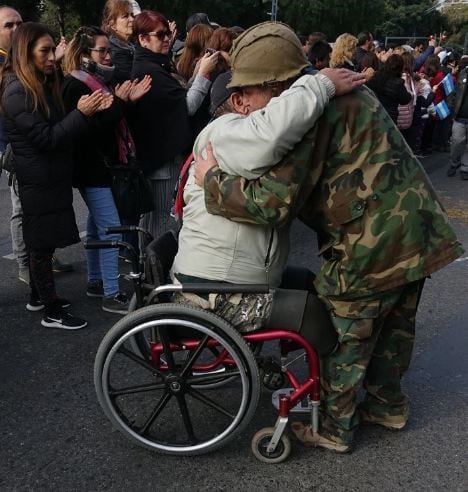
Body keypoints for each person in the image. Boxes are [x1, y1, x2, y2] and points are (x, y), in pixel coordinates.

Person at [195, 22, 463, 453]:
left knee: (345, 332)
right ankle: (387, 405)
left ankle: (335, 427)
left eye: (251, 93)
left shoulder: (314, 114)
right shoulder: (350, 93)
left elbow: (271, 203)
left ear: (276, 86)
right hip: (419, 231)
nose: (248, 106)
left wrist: (212, 181)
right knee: (394, 327)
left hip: (370, 243)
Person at [1, 22, 113, 329]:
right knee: (40, 247)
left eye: (53, 50)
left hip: (49, 177)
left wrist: (81, 110)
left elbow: (57, 126)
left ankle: (39, 298)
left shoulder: (38, 83)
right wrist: (81, 113)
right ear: (26, 52)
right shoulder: (16, 91)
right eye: (45, 51)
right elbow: (48, 139)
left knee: (43, 244)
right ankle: (52, 311)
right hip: (38, 180)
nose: (52, 57)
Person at [62, 26, 151, 314]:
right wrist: (120, 103)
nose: (109, 56)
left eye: (109, 50)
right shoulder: (76, 85)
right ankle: (112, 294)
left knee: (99, 228)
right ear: (84, 54)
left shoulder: (94, 82)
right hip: (92, 169)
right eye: (102, 50)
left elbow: (105, 123)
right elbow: (91, 130)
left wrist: (122, 103)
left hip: (98, 168)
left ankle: (96, 281)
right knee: (111, 228)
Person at [0, 5, 73, 285]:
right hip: (11, 146)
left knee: (38, 214)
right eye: (8, 25)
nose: (16, 29)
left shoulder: (28, 64)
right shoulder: (10, 72)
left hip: (25, 143)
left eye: (19, 23)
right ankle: (26, 264)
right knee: (22, 209)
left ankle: (41, 260)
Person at [130, 10, 218, 239]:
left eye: (168, 33)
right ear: (142, 38)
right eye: (160, 35)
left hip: (159, 157)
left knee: (153, 220)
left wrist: (198, 72)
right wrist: (204, 75)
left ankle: (149, 268)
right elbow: (186, 106)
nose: (168, 38)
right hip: (161, 160)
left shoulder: (155, 65)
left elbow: (177, 98)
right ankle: (155, 271)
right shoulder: (149, 70)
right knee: (162, 219)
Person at [367, 54, 412, 124]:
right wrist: (410, 93)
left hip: (373, 112)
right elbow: (405, 100)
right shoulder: (398, 83)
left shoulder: (376, 76)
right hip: (388, 118)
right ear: (400, 68)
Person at [447, 55, 468, 179]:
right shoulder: (463, 73)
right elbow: (453, 94)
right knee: (456, 142)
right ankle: (454, 163)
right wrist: (452, 110)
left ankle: (465, 167)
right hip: (459, 117)